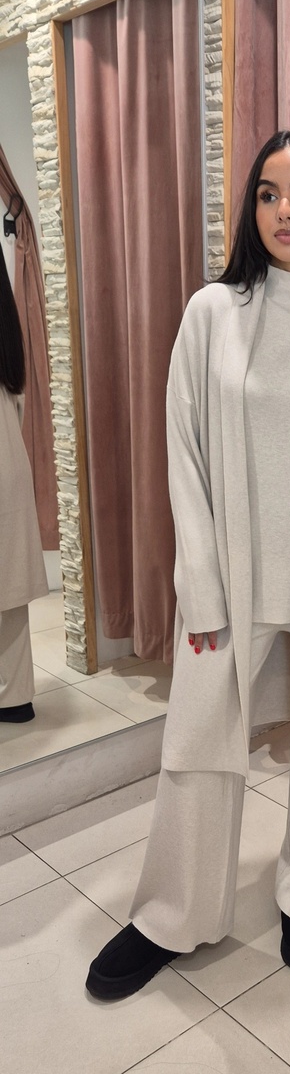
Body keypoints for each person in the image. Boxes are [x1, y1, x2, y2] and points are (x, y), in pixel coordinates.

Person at [86, 130, 290, 1001]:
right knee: (197, 748)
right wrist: (199, 588)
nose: (284, 211)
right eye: (268, 193)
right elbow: (184, 458)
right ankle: (173, 913)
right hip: (233, 583)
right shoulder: (212, 315)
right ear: (250, 209)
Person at [0, 247, 48, 723]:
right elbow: (17, 404)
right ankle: (14, 698)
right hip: (8, 464)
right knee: (8, 594)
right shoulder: (6, 332)